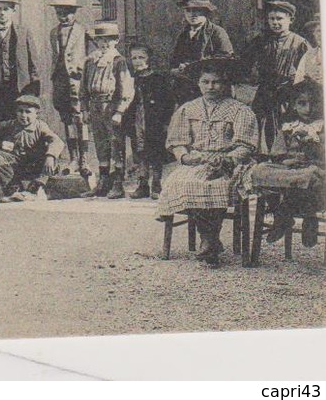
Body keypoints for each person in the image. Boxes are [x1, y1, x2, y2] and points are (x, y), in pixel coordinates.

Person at [157, 56, 259, 267]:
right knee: (183, 182)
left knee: (216, 184)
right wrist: (184, 156)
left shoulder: (240, 110)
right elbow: (177, 141)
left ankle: (208, 241)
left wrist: (227, 159)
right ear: (198, 83)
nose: (210, 87)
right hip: (196, 161)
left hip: (230, 163)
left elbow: (246, 145)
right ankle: (210, 240)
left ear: (225, 83)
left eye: (216, 82)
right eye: (206, 82)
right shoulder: (188, 109)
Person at [243, 82, 325, 247]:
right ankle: (281, 212)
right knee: (259, 171)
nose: (308, 108)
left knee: (310, 178)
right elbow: (277, 154)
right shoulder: (288, 128)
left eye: (314, 103)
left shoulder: (323, 127)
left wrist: (315, 144)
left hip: (313, 168)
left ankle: (302, 216)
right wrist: (286, 160)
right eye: (302, 103)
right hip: (289, 169)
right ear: (293, 105)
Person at [0, 93, 64, 203]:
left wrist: (50, 156)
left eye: (28, 112)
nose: (23, 115)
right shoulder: (11, 124)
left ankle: (33, 190)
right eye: (20, 111)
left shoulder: (41, 126)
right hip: (18, 165)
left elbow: (56, 141)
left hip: (36, 167)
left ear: (36, 114)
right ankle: (14, 190)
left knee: (51, 157)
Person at [242, 0, 312, 150]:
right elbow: (248, 64)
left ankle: (284, 153)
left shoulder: (300, 42)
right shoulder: (261, 41)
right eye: (271, 19)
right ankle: (262, 152)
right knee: (260, 120)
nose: (275, 23)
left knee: (284, 123)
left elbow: (308, 69)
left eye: (279, 19)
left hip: (288, 91)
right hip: (265, 89)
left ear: (290, 20)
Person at [81, 23, 134, 198]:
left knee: (115, 144)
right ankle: (103, 182)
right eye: (101, 40)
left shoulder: (119, 62)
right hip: (95, 106)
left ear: (116, 41)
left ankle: (118, 183)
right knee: (100, 143)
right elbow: (83, 88)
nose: (104, 44)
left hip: (111, 105)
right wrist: (85, 109)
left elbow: (125, 88)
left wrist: (119, 111)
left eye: (109, 40)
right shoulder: (90, 61)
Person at [124, 43, 178, 199]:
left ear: (149, 59)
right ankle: (142, 185)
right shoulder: (131, 79)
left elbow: (169, 102)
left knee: (155, 152)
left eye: (141, 57)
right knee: (139, 152)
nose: (137, 61)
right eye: (134, 58)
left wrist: (166, 122)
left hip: (154, 121)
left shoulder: (158, 78)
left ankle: (156, 184)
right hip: (136, 121)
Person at [48, 0, 92, 177]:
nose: (63, 17)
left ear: (74, 13)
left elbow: (93, 54)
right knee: (66, 120)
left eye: (67, 13)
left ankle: (84, 159)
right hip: (60, 81)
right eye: (60, 13)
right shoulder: (53, 32)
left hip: (77, 81)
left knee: (80, 119)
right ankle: (73, 158)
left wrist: (81, 69)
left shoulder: (83, 31)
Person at [168, 0, 233, 103]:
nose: (192, 14)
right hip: (186, 92)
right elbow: (174, 61)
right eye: (188, 10)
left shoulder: (218, 33)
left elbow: (226, 62)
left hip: (212, 92)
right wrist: (177, 69)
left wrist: (195, 67)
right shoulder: (183, 35)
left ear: (206, 12)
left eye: (197, 10)